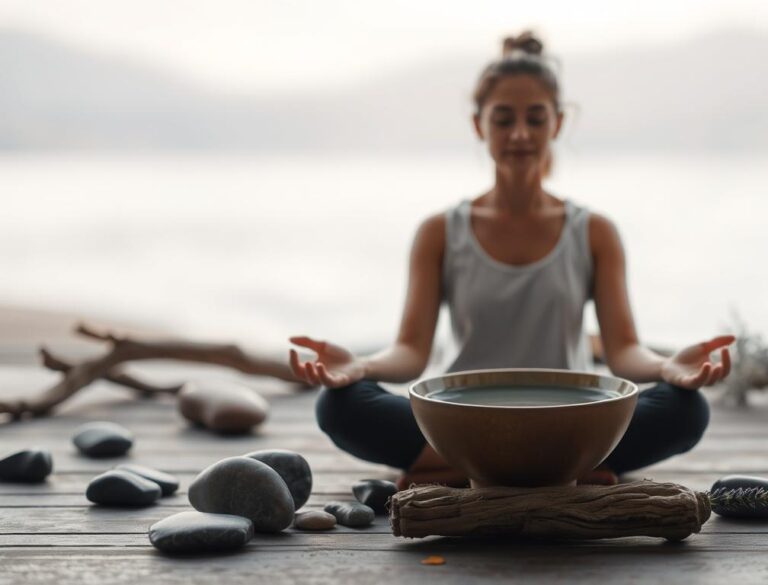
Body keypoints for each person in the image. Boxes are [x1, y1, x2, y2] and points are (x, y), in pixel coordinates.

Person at [289, 31, 733, 489]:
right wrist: (362, 367)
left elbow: (622, 352)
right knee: (338, 404)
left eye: (535, 119)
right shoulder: (440, 232)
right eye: (503, 119)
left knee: (687, 408)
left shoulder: (594, 231)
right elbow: (412, 352)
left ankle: (462, 470)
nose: (519, 133)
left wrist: (666, 368)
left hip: (568, 420)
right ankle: (564, 471)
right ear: (479, 124)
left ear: (557, 124)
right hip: (463, 422)